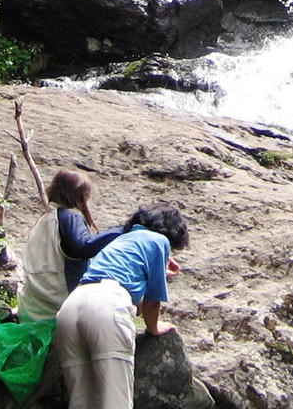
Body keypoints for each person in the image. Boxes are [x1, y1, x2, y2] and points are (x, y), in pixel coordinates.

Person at [53, 204, 187, 409]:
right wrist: (154, 327)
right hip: (108, 304)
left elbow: (132, 298)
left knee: (81, 401)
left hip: (71, 307)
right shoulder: (159, 241)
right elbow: (151, 302)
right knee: (115, 402)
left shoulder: (120, 240)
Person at [18, 170, 122, 323]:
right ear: (80, 196)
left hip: (32, 309)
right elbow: (84, 247)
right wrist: (121, 230)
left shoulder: (46, 218)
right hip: (58, 311)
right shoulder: (69, 216)